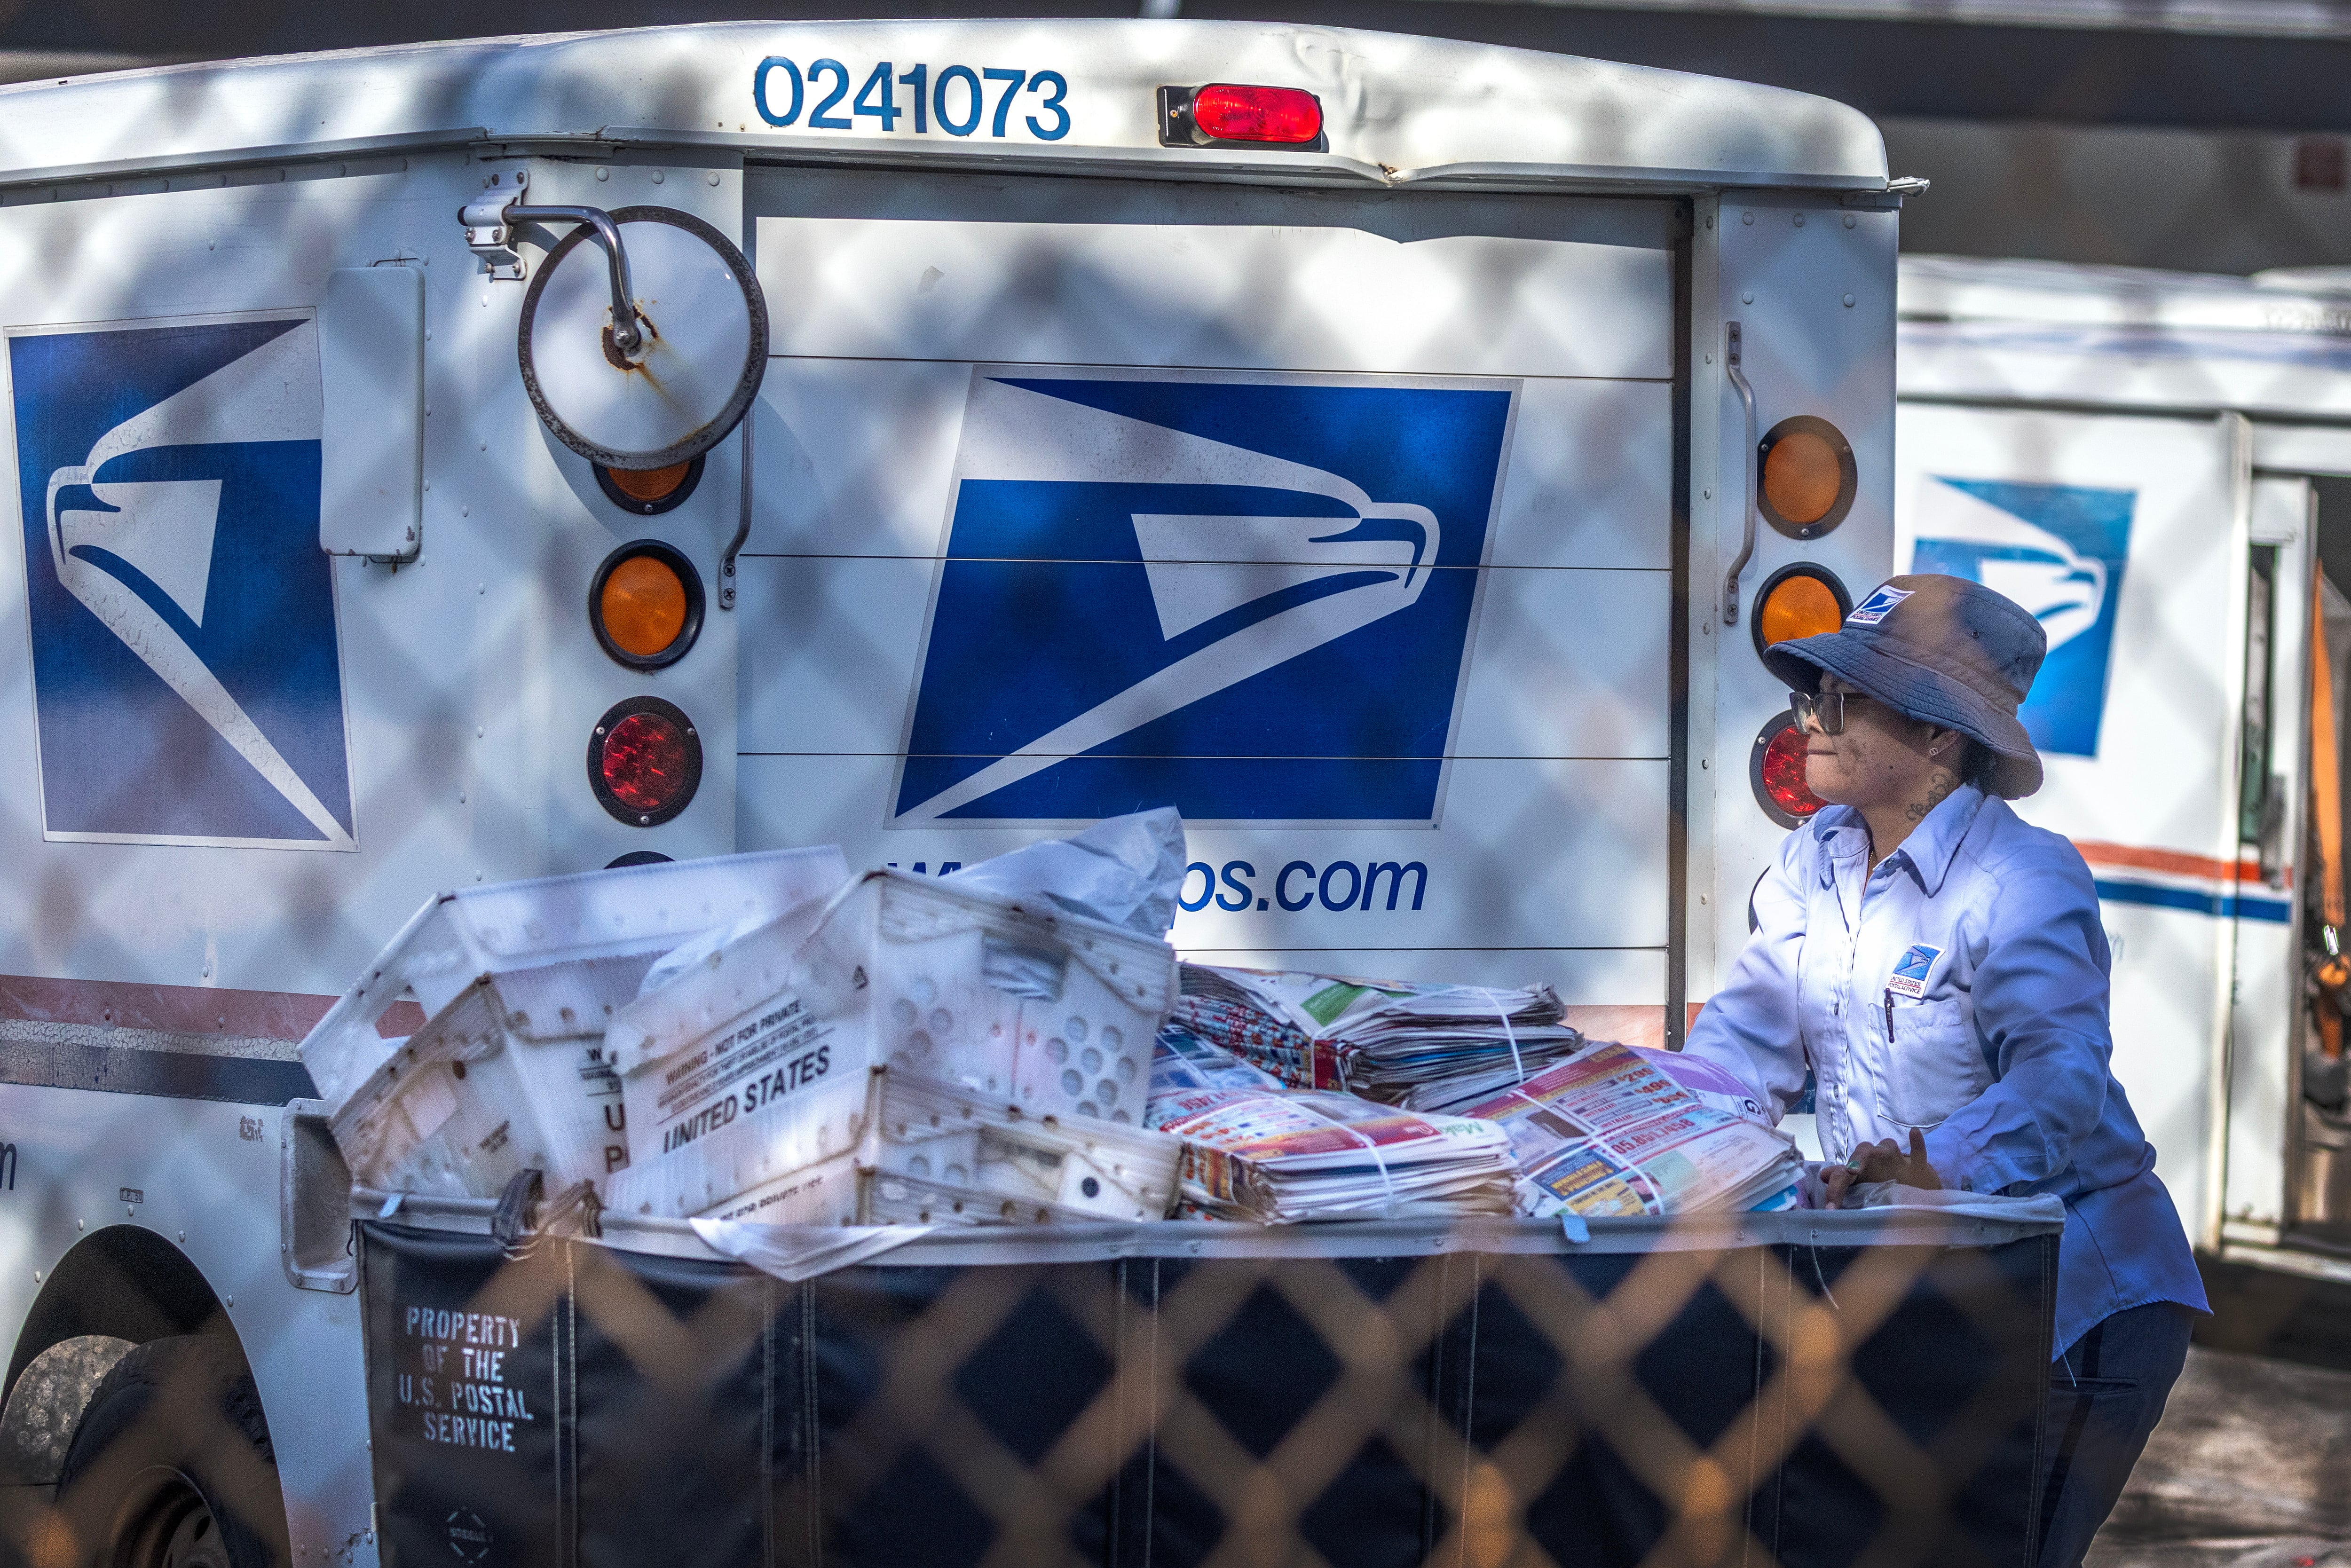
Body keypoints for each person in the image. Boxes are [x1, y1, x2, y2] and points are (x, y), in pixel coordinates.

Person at [1683, 574, 2208, 1568]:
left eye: (1846, 700)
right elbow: (1741, 1050)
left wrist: (1927, 1162)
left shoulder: (2024, 877)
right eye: (1813, 695)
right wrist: (1631, 1121)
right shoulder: (1815, 858)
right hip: (1914, 1289)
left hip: (2069, 1305)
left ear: (1937, 738)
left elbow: (2060, 1086)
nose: (1812, 720)